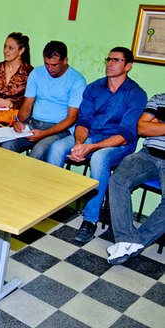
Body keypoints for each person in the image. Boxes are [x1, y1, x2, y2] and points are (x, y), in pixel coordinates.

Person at [46, 47, 147, 243]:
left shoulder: (136, 94)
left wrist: (90, 148)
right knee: (57, 148)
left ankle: (90, 219)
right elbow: (83, 121)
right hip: (91, 135)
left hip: (119, 143)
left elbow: (126, 133)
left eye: (116, 60)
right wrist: (78, 143)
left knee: (100, 158)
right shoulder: (94, 88)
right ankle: (49, 202)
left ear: (128, 66)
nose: (110, 64)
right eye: (108, 59)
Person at [0, 41, 86, 160]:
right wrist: (19, 121)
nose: (50, 68)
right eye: (47, 64)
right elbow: (27, 105)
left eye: (54, 65)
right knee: (7, 144)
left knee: (38, 152)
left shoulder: (77, 80)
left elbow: (72, 118)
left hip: (59, 129)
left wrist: (44, 134)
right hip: (34, 123)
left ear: (65, 60)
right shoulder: (37, 73)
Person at [106, 93, 165, 264]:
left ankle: (132, 243)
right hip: (147, 155)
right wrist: (149, 126)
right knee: (118, 181)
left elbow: (149, 127)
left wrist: (158, 125)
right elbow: (141, 128)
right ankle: (127, 240)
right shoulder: (159, 99)